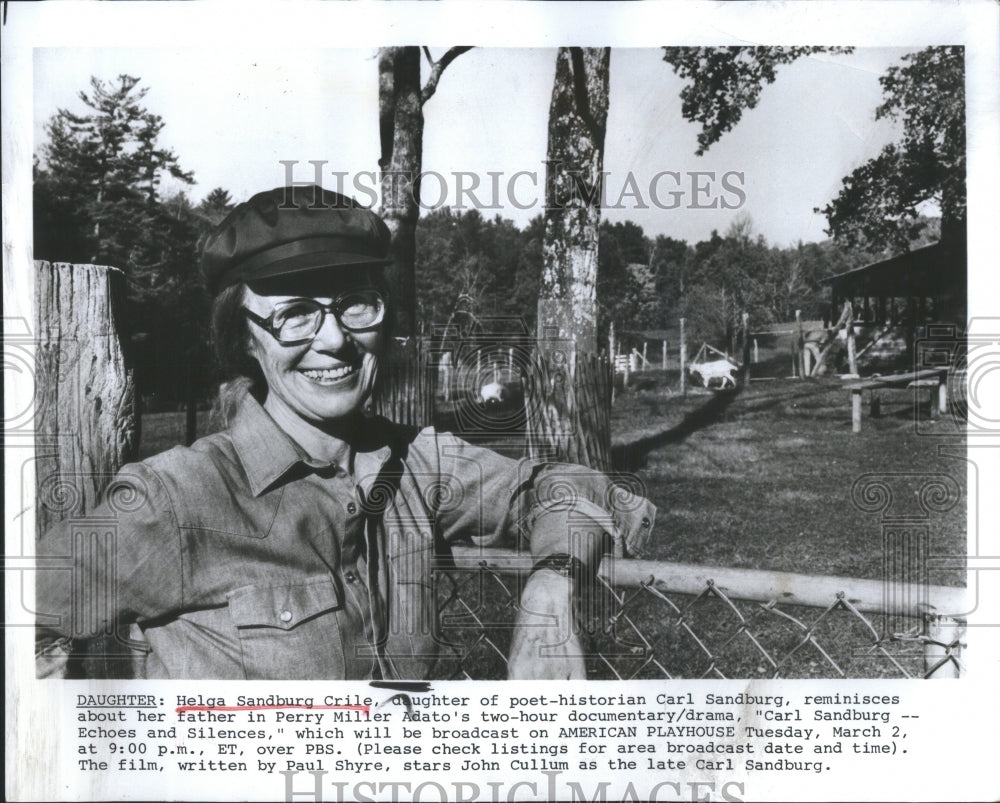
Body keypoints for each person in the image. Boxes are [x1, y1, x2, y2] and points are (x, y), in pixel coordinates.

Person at [36, 184, 655, 680]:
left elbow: (577, 486)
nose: (333, 340)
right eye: (295, 314)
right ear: (244, 340)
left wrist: (551, 587)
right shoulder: (174, 499)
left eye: (355, 303)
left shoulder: (417, 464)